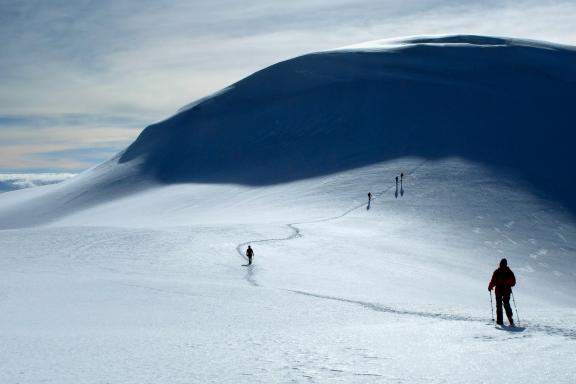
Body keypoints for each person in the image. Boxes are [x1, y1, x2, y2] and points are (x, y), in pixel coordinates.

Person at [488, 258, 516, 326]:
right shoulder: (509, 272)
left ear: (500, 263)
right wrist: (508, 284)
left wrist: (490, 287)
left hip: (499, 291)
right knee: (507, 304)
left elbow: (493, 281)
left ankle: (500, 321)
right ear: (506, 264)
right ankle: (510, 319)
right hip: (507, 291)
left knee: (499, 306)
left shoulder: (497, 272)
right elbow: (513, 282)